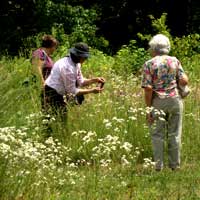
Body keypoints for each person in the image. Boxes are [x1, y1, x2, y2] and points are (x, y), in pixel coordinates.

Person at [141, 34, 189, 171]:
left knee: (157, 134)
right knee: (175, 134)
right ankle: (174, 166)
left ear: (153, 48)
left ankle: (158, 166)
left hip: (158, 101)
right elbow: (184, 80)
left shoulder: (149, 64)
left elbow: (148, 89)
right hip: (175, 100)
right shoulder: (174, 61)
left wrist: (148, 109)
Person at [44, 42, 105, 122]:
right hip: (51, 93)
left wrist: (95, 80)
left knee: (62, 121)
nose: (85, 59)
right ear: (78, 56)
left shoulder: (76, 64)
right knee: (49, 123)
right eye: (84, 57)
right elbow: (72, 91)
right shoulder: (67, 67)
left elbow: (81, 82)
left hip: (59, 93)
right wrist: (92, 91)